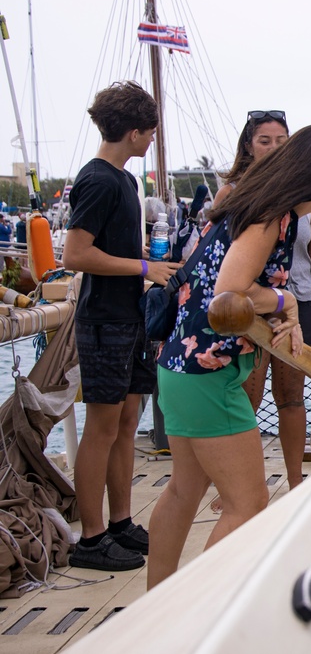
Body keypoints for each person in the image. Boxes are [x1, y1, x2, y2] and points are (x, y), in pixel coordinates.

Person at [146, 124, 311, 590]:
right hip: (207, 376)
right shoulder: (270, 216)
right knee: (248, 503)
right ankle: (197, 615)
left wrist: (284, 314)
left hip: (180, 367)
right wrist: (287, 305)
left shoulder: (263, 208)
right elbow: (229, 292)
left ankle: (157, 606)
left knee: (184, 490)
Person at [61, 81, 181, 572]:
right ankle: (89, 539)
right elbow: (75, 254)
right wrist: (143, 268)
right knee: (102, 427)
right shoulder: (99, 180)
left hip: (128, 318)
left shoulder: (125, 181)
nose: (151, 140)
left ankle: (120, 522)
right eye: (149, 132)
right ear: (133, 132)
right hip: (104, 321)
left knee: (127, 423)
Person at [214, 110, 311, 498]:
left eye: (282, 141)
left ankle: (296, 480)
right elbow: (217, 259)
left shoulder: (309, 199)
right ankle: (236, 486)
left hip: (297, 305)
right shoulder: (235, 193)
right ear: (249, 146)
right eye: (264, 140)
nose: (273, 147)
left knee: (290, 397)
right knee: (244, 395)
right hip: (247, 307)